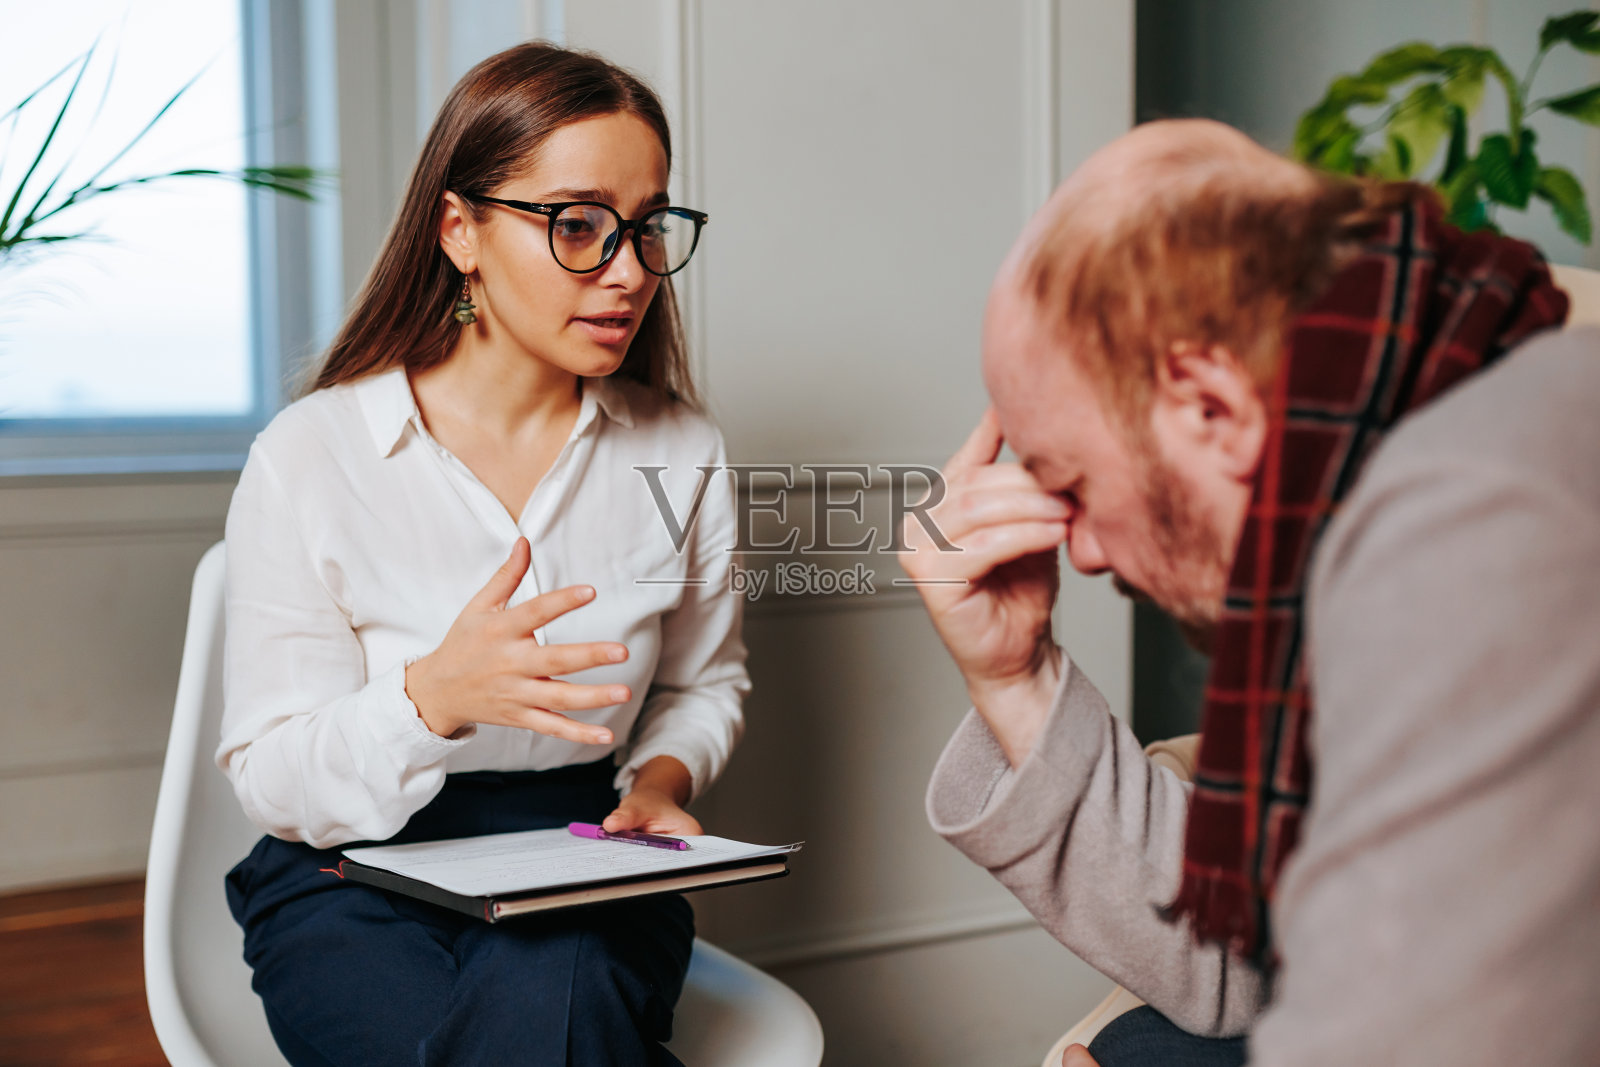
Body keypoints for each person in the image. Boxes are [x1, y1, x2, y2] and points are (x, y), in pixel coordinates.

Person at [901, 118, 1600, 1064]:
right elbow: (1247, 962)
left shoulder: (1475, 521)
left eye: (1073, 485)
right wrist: (1013, 679)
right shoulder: (1411, 417)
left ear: (1208, 405)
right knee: (1154, 1042)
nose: (1087, 553)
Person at [217, 43, 747, 1067]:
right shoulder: (312, 456)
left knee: (552, 988)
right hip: (348, 873)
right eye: (578, 224)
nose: (630, 270)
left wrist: (662, 775)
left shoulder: (681, 448)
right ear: (458, 229)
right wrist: (429, 696)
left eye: (645, 227)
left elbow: (703, 680)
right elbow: (275, 778)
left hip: (583, 852)